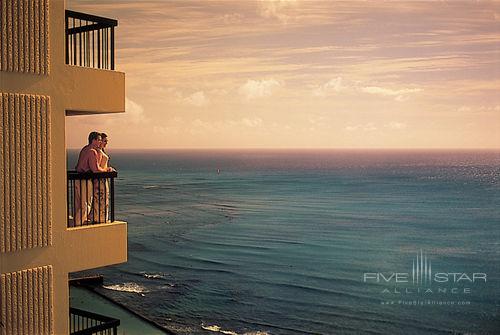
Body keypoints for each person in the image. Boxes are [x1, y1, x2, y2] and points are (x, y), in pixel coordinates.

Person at [73, 132, 112, 226]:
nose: (100, 142)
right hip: (85, 179)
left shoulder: (84, 149)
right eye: (98, 140)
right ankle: (78, 225)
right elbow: (95, 169)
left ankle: (76, 222)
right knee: (86, 205)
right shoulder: (92, 151)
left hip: (78, 178)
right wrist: (107, 170)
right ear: (93, 140)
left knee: (79, 203)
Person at [93, 133, 115, 223]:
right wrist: (106, 169)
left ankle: (102, 217)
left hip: (103, 178)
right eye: (105, 141)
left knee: (104, 198)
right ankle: (100, 218)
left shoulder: (101, 151)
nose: (106, 143)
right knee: (101, 198)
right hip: (100, 178)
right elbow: (97, 166)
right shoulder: (98, 152)